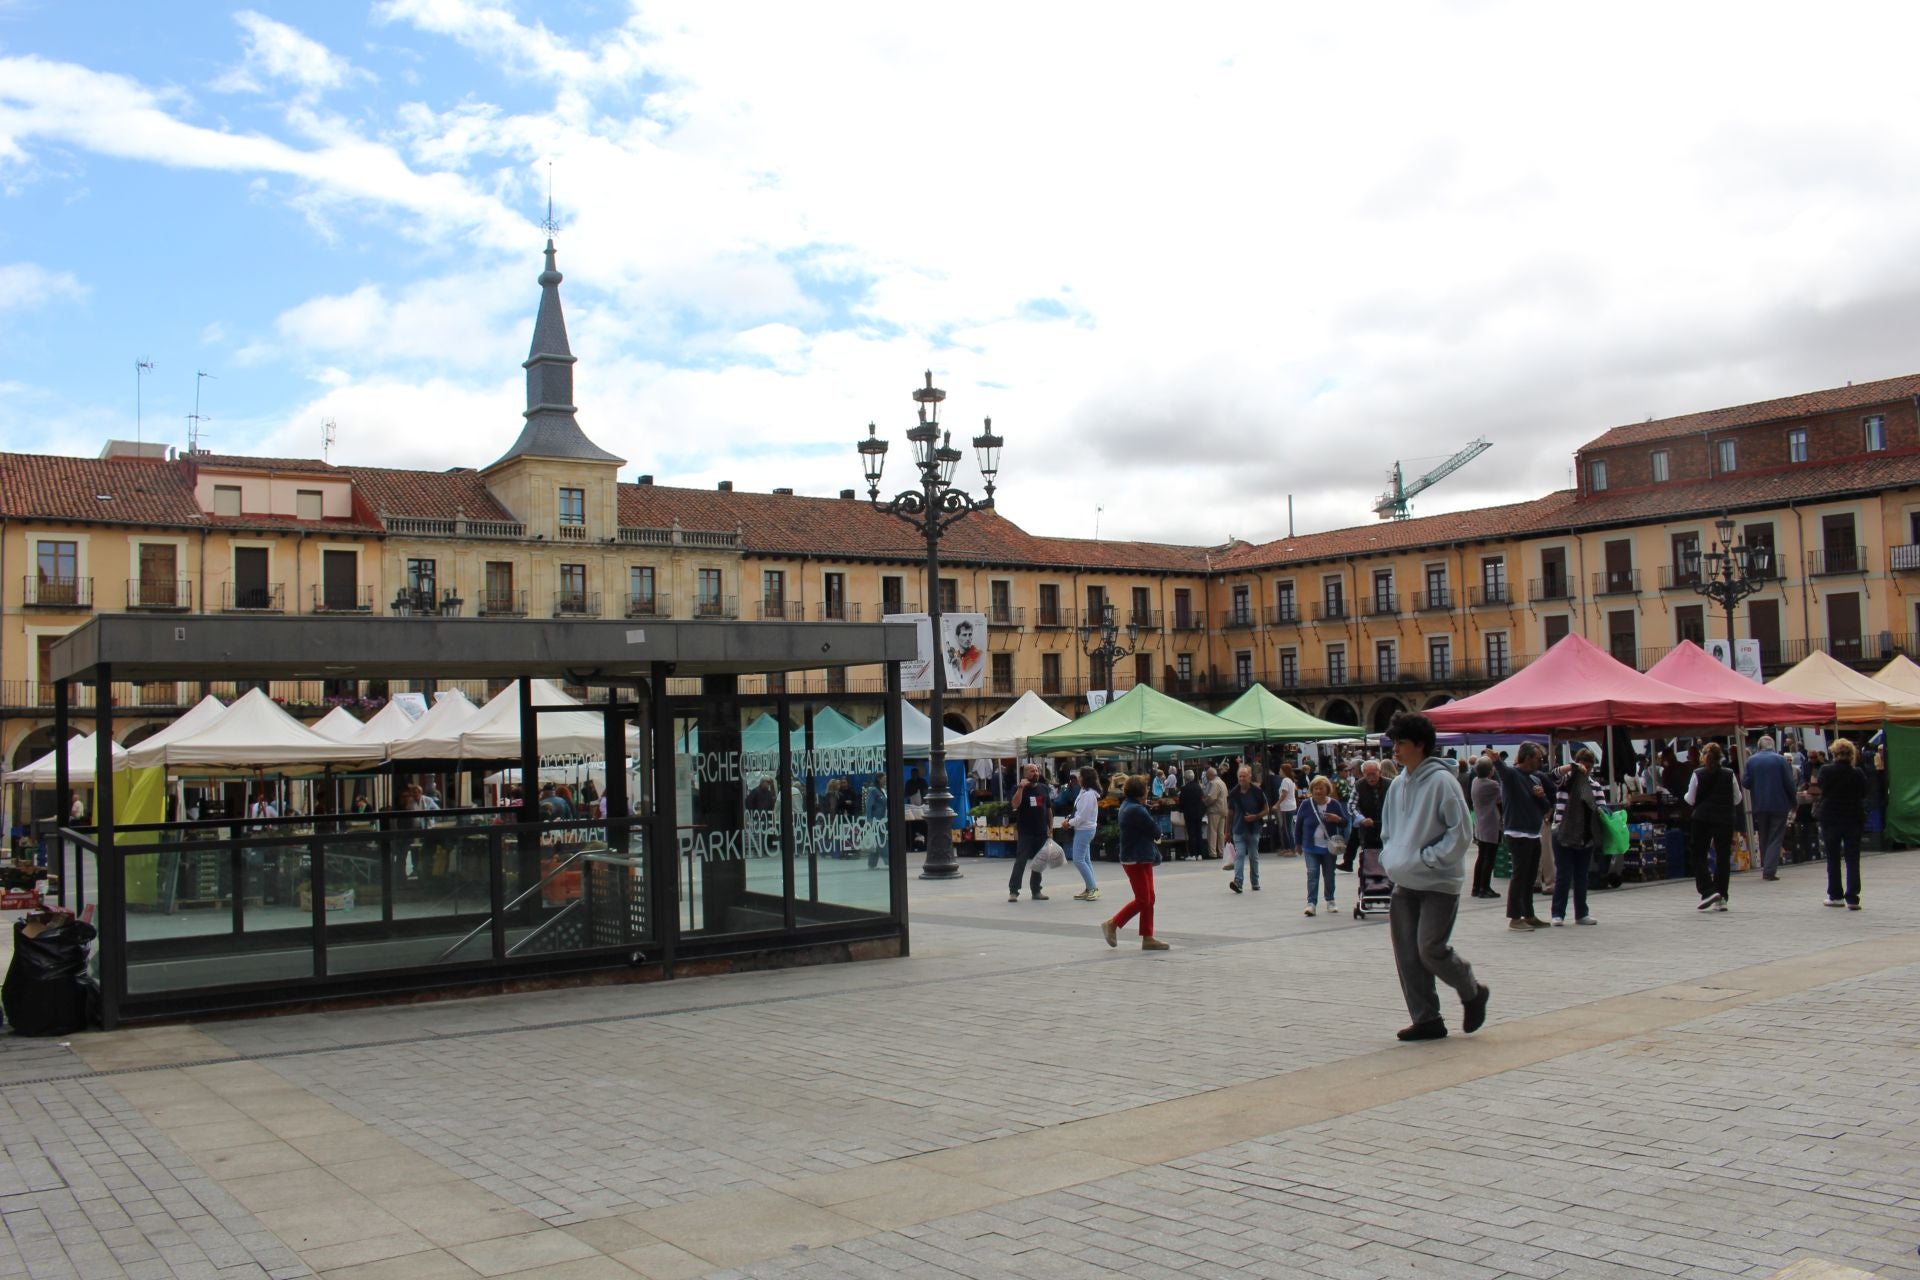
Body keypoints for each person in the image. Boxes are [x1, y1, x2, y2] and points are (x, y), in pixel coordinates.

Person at [1380, 711, 1489, 1042]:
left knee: (1430, 947)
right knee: (1407, 956)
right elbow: (1389, 829)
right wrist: (1391, 857)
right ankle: (1426, 1019)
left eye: (1401, 743)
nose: (1394, 749)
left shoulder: (1443, 782)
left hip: (1437, 882)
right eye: (1394, 743)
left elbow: (1461, 832)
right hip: (1404, 880)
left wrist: (1429, 860)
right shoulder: (1398, 784)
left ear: (1420, 745)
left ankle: (1471, 990)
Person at [1101, 776, 1168, 951]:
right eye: (1146, 788)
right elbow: (1155, 831)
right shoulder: (1137, 810)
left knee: (1149, 898)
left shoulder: (1128, 806)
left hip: (1140, 856)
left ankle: (1148, 936)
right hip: (1136, 858)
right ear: (1142, 792)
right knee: (1143, 899)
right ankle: (1113, 923)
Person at [1492, 743, 1552, 930]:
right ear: (1527, 758)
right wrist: (1496, 760)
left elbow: (1546, 808)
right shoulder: (1512, 775)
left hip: (1533, 833)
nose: (1541, 763)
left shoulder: (1534, 779)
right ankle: (1515, 917)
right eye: (1538, 759)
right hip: (1518, 833)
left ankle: (1529, 914)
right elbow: (1502, 770)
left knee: (1530, 877)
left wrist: (1541, 796)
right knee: (1519, 876)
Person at [1549, 748, 1603, 926]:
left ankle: (1582, 913)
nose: (1585, 770)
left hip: (1585, 835)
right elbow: (1553, 775)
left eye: (1588, 766)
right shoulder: (1566, 781)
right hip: (1562, 832)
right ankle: (1557, 913)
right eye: (1582, 766)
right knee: (1563, 875)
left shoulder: (1595, 786)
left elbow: (1601, 808)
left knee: (1581, 876)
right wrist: (1571, 768)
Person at [1813, 738, 1869, 910]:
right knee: (1853, 857)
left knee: (1833, 857)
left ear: (1834, 753)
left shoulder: (1826, 770)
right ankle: (1852, 898)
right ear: (1852, 754)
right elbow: (1864, 792)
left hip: (1830, 817)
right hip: (1853, 817)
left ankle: (1835, 895)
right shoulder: (1857, 773)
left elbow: (1819, 787)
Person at [1685, 742, 1738, 911]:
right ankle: (1721, 896)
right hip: (1724, 818)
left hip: (1702, 818)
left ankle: (1708, 889)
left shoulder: (1698, 774)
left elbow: (1690, 799)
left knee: (1698, 854)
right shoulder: (1729, 774)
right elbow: (1737, 799)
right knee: (1723, 857)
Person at [1743, 734, 1798, 881]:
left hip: (1760, 804)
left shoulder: (1751, 760)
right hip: (1779, 803)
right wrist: (1793, 801)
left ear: (1759, 746)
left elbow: (1746, 782)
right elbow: (1789, 783)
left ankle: (1765, 866)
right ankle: (1769, 870)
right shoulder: (1780, 760)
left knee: (1764, 836)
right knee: (1775, 837)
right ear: (1772, 746)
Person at [1294, 776, 1346, 916]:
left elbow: (1345, 823)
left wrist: (1337, 819)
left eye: (1321, 788)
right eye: (1315, 788)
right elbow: (1298, 825)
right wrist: (1297, 843)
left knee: (1329, 874)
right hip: (1310, 846)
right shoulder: (1306, 804)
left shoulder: (1334, 804)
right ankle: (1311, 903)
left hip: (1329, 847)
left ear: (1327, 789)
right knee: (1312, 873)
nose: (1318, 791)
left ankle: (1330, 900)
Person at [1008, 763, 1053, 902]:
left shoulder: (1044, 788)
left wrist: (1050, 828)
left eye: (1037, 770)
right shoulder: (1017, 788)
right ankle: (1014, 891)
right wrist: (1021, 788)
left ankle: (1036, 890)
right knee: (1020, 861)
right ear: (1025, 774)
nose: (1036, 773)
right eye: (1032, 771)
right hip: (1026, 831)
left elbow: (1049, 809)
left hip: (1041, 831)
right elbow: (1015, 805)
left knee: (1039, 862)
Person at [1225, 765, 1270, 894]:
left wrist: (1255, 817)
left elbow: (1267, 809)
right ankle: (1238, 882)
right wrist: (1227, 831)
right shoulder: (1233, 793)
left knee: (1253, 856)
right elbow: (1230, 813)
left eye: (1244, 776)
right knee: (1239, 855)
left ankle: (1255, 881)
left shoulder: (1257, 791)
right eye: (1240, 776)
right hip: (1238, 829)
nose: (1242, 778)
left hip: (1254, 829)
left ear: (1250, 776)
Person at [1469, 758, 1502, 899]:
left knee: (1481, 856)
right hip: (1491, 822)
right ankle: (1485, 887)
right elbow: (1501, 798)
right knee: (1490, 857)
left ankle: (1476, 887)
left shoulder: (1475, 782)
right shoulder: (1492, 785)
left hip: (1480, 822)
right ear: (1490, 771)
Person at [1349, 758, 1388, 873]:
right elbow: (1351, 806)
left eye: (1373, 774)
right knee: (1370, 860)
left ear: (1380, 772)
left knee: (1387, 859)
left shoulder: (1390, 784)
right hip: (1368, 830)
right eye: (1367, 774)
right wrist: (1361, 818)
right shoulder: (1358, 785)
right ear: (1363, 774)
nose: (1371, 777)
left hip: (1388, 828)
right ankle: (1372, 885)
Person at [1068, 766, 1101, 901]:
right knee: (1086, 860)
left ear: (1085, 778)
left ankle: (1093, 888)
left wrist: (1069, 823)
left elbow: (1083, 817)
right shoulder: (1085, 792)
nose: (1078, 778)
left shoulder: (1088, 795)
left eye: (1080, 776)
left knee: (1078, 859)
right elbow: (1079, 813)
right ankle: (1090, 887)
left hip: (1085, 829)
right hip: (1084, 829)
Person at [1178, 769, 1207, 861]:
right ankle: (1200, 853)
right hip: (1199, 813)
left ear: (1185, 778)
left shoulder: (1184, 789)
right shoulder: (1199, 787)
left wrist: (1181, 809)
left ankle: (1193, 854)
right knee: (1199, 833)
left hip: (1189, 814)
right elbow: (1203, 800)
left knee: (1191, 834)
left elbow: (1181, 802)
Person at [1203, 766, 1230, 860]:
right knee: (1220, 832)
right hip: (1223, 809)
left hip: (1215, 810)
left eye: (1207, 776)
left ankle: (1213, 852)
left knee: (1212, 831)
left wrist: (1205, 803)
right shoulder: (1222, 782)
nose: (1206, 777)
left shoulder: (1214, 783)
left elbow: (1212, 797)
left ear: (1210, 775)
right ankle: (1221, 851)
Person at [864, 775, 890, 869]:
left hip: (883, 820)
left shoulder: (882, 790)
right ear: (879, 779)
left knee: (876, 842)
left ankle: (872, 864)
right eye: (884, 779)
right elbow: (869, 805)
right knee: (882, 841)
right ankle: (888, 861)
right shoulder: (873, 790)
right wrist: (869, 820)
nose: (886, 781)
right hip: (876, 821)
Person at [1274, 762, 1299, 853]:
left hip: (1286, 807)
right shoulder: (1290, 780)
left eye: (1280, 770)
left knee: (1287, 828)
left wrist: (1277, 804)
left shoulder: (1285, 781)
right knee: (1288, 827)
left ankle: (1292, 849)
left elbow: (1284, 794)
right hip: (1291, 806)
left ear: (1284, 771)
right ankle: (1289, 847)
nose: (1279, 772)